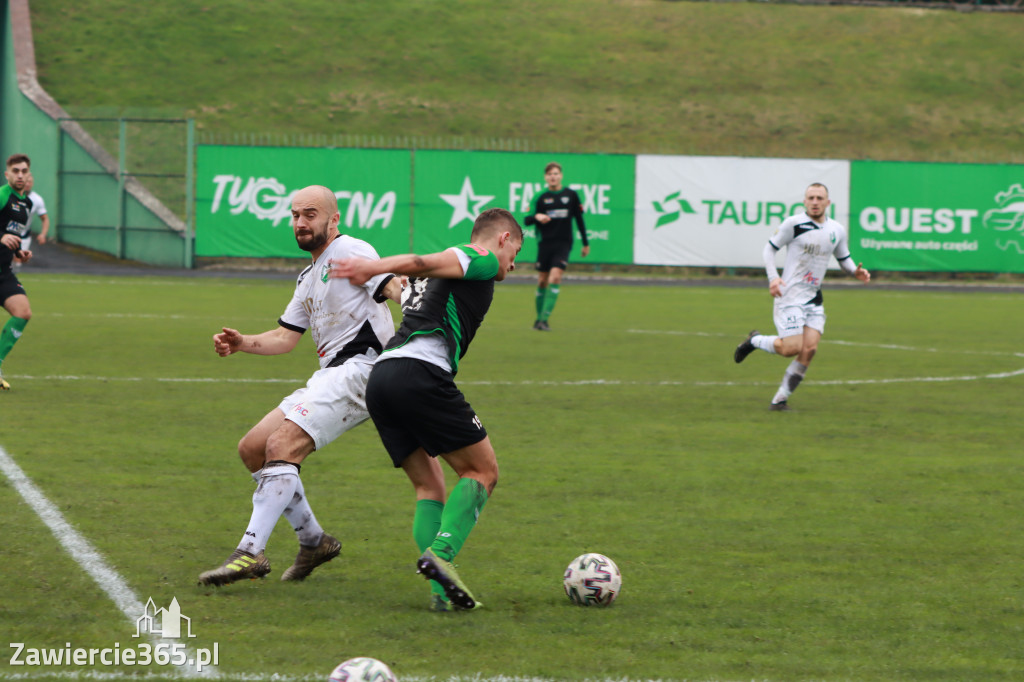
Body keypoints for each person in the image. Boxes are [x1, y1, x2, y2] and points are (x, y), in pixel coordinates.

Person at [198, 185, 408, 586]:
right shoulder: (310, 274)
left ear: (334, 219)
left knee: (281, 446)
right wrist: (242, 343)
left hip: (362, 371)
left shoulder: (351, 250)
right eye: (295, 215)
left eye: (309, 214)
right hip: (329, 375)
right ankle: (314, 542)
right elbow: (285, 337)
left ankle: (249, 552)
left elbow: (392, 288)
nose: (300, 222)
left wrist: (414, 301)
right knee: (253, 449)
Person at [329, 207, 522, 611]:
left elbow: (410, 284)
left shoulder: (434, 281)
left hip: (382, 381)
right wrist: (371, 267)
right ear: (502, 238)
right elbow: (420, 260)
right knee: (482, 471)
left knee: (429, 486)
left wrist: (388, 280)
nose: (514, 263)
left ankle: (440, 597)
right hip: (420, 373)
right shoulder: (480, 258)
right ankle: (442, 555)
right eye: (515, 251)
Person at [733, 183, 870, 411]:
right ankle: (755, 341)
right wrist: (773, 278)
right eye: (811, 198)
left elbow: (843, 257)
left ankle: (779, 400)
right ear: (804, 201)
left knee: (810, 349)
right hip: (790, 297)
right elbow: (769, 250)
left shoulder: (837, 230)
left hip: (813, 298)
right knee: (791, 349)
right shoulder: (793, 224)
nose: (815, 202)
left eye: (819, 198)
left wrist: (855, 270)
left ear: (828, 202)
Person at [523, 162, 588, 331]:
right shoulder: (540, 197)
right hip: (545, 244)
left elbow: (580, 220)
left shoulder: (571, 195)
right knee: (543, 280)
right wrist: (537, 216)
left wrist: (585, 243)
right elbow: (526, 220)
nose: (553, 176)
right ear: (546, 177)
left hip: (564, 243)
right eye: (550, 174)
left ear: (561, 176)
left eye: (556, 173)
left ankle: (544, 320)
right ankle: (538, 320)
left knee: (555, 277)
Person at [0, 154, 35, 391]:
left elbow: (13, 235)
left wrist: (20, 252)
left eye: (24, 171)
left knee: (23, 312)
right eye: (15, 171)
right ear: (7, 174)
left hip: (3, 272)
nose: (20, 175)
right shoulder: (2, 195)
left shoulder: (26, 204)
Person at [13, 172, 50, 271]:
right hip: (7, 233)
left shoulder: (37, 200)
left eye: (30, 182)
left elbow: (45, 218)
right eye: (26, 181)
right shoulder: (9, 195)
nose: (28, 184)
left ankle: (13, 282)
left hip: (23, 235)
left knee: (18, 261)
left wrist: (43, 234)